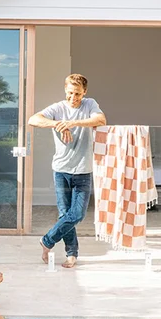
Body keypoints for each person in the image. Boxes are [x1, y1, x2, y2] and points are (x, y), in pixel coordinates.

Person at [28, 72, 106, 268]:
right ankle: (72, 254)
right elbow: (33, 119)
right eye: (70, 93)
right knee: (65, 215)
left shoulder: (89, 105)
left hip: (83, 170)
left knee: (77, 214)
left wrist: (73, 123)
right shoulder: (58, 108)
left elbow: (101, 120)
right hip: (61, 170)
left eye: (78, 94)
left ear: (85, 92)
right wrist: (57, 124)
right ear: (65, 90)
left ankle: (47, 240)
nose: (73, 98)